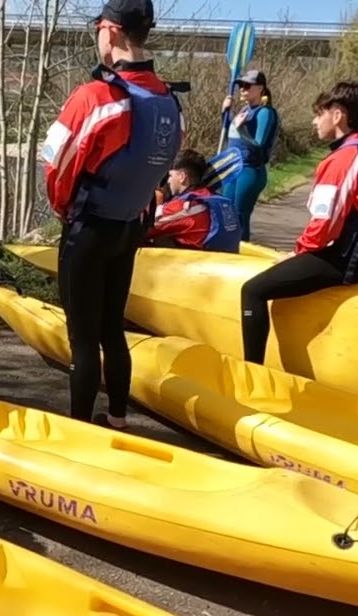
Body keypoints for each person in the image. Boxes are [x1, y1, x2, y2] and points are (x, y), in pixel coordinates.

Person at [40, 0, 185, 430]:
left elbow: (56, 166)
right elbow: (161, 166)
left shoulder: (97, 97)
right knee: (112, 331)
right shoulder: (168, 99)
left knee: (82, 342)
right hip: (128, 228)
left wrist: (63, 209)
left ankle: (81, 432)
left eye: (98, 29)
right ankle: (118, 420)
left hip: (88, 230)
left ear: (112, 30)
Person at [237, 81, 358, 365]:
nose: (314, 121)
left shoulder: (346, 158)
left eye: (318, 113)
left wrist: (297, 254)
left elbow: (324, 225)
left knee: (252, 290)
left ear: (337, 114)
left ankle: (250, 373)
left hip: (346, 260)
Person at [216, 70, 279, 243]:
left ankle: (240, 251)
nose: (242, 89)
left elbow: (258, 143)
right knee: (227, 213)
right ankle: (227, 250)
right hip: (233, 167)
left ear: (260, 88)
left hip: (250, 169)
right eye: (240, 86)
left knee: (239, 215)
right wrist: (225, 113)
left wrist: (242, 127)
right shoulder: (244, 110)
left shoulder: (265, 113)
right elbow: (231, 132)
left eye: (247, 86)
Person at [147, 149, 243, 252]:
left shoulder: (185, 206)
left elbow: (145, 229)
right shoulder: (211, 198)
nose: (168, 181)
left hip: (198, 263)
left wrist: (156, 200)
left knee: (158, 239)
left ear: (182, 177)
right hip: (223, 260)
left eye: (170, 176)